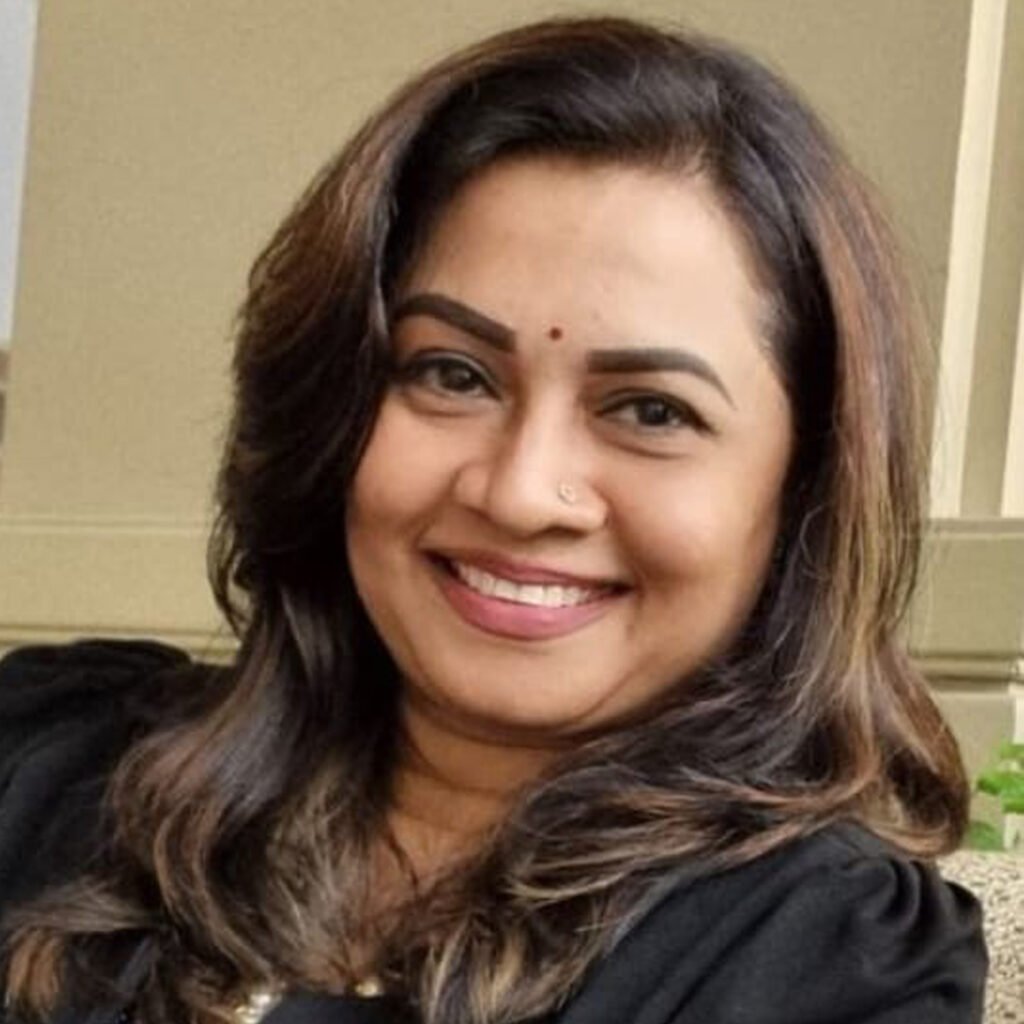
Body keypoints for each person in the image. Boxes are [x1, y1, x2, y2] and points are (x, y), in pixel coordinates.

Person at [0, 15, 986, 1024]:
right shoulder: (44, 760)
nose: (519, 490)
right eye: (452, 374)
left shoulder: (826, 962)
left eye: (651, 411)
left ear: (802, 486)